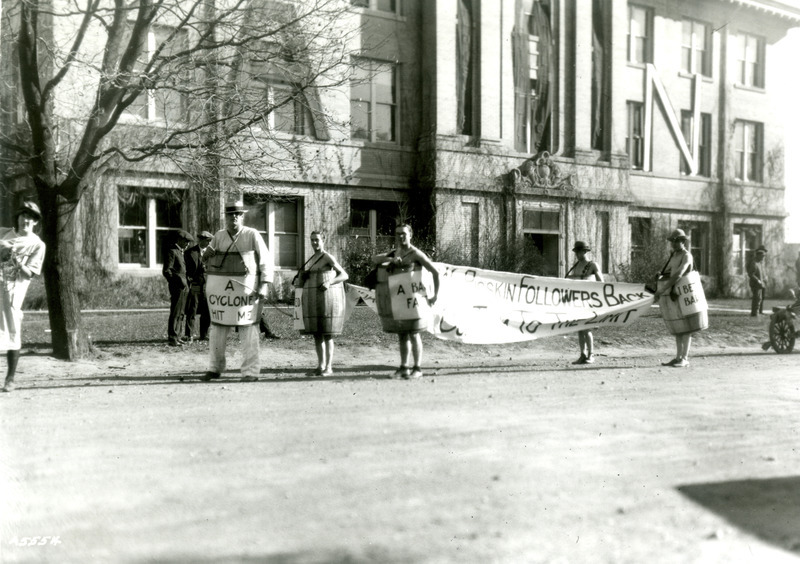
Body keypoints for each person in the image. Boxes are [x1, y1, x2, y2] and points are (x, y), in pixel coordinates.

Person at [201, 201, 273, 382]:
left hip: (246, 293)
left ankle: (250, 371)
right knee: (217, 330)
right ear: (225, 217)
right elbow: (208, 260)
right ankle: (215, 368)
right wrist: (206, 255)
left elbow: (266, 261)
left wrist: (264, 284)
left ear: (242, 216)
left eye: (237, 214)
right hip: (223, 295)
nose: (234, 217)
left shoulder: (252, 235)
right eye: (230, 214)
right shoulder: (219, 236)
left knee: (248, 331)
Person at [372, 224, 439, 380]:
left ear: (410, 234)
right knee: (402, 334)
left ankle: (417, 368)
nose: (401, 237)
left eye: (403, 234)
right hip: (400, 299)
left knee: (414, 334)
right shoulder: (395, 252)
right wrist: (391, 259)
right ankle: (404, 368)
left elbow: (435, 272)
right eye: (398, 234)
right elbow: (374, 259)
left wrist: (434, 295)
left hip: (414, 300)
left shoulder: (416, 254)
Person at [0, 202, 46, 393]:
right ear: (17, 217)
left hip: (12, 291)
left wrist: (15, 259)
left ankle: (10, 378)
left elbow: (29, 274)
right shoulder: (3, 233)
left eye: (31, 217)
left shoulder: (37, 244)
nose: (26, 220)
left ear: (35, 221)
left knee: (12, 332)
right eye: (23, 215)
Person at [294, 231, 349, 376]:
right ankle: (320, 366)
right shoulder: (312, 258)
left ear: (323, 240)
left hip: (327, 298)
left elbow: (344, 275)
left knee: (327, 334)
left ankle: (329, 367)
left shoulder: (327, 257)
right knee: (317, 335)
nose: (314, 243)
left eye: (317, 240)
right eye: (312, 240)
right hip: (313, 298)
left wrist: (329, 282)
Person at [653, 229, 697, 368]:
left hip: (685, 292)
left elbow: (678, 274)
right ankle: (678, 357)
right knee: (678, 325)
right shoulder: (673, 255)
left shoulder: (686, 256)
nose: (673, 244)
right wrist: (660, 275)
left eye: (676, 241)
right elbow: (669, 272)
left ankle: (684, 358)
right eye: (672, 241)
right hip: (673, 292)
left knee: (687, 326)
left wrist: (662, 289)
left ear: (683, 241)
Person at [565, 241, 603, 364]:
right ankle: (583, 354)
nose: (577, 254)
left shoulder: (592, 265)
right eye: (576, 252)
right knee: (579, 328)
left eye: (579, 252)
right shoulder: (575, 266)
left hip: (589, 301)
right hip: (577, 301)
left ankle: (591, 354)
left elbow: (601, 283)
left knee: (587, 328)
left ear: (585, 251)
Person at [163, 229, 194, 346]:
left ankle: (178, 336)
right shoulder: (172, 251)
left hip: (184, 287)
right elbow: (167, 271)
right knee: (176, 312)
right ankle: (172, 338)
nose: (187, 244)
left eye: (189, 243)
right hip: (178, 287)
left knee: (181, 313)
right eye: (186, 242)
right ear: (180, 240)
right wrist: (176, 283)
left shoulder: (180, 252)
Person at [184, 230, 212, 341]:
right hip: (195, 285)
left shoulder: (212, 253)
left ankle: (203, 335)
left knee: (206, 311)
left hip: (208, 286)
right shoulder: (189, 253)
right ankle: (189, 335)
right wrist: (188, 281)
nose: (209, 244)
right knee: (192, 310)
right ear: (201, 240)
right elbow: (185, 270)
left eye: (210, 241)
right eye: (207, 241)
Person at [746, 245, 768, 317]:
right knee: (757, 298)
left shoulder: (760, 263)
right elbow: (751, 274)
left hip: (761, 283)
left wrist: (764, 278)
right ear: (758, 255)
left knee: (760, 298)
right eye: (762, 256)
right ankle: (754, 313)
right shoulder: (754, 263)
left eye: (764, 256)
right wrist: (758, 280)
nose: (763, 257)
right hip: (755, 284)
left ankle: (757, 312)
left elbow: (762, 272)